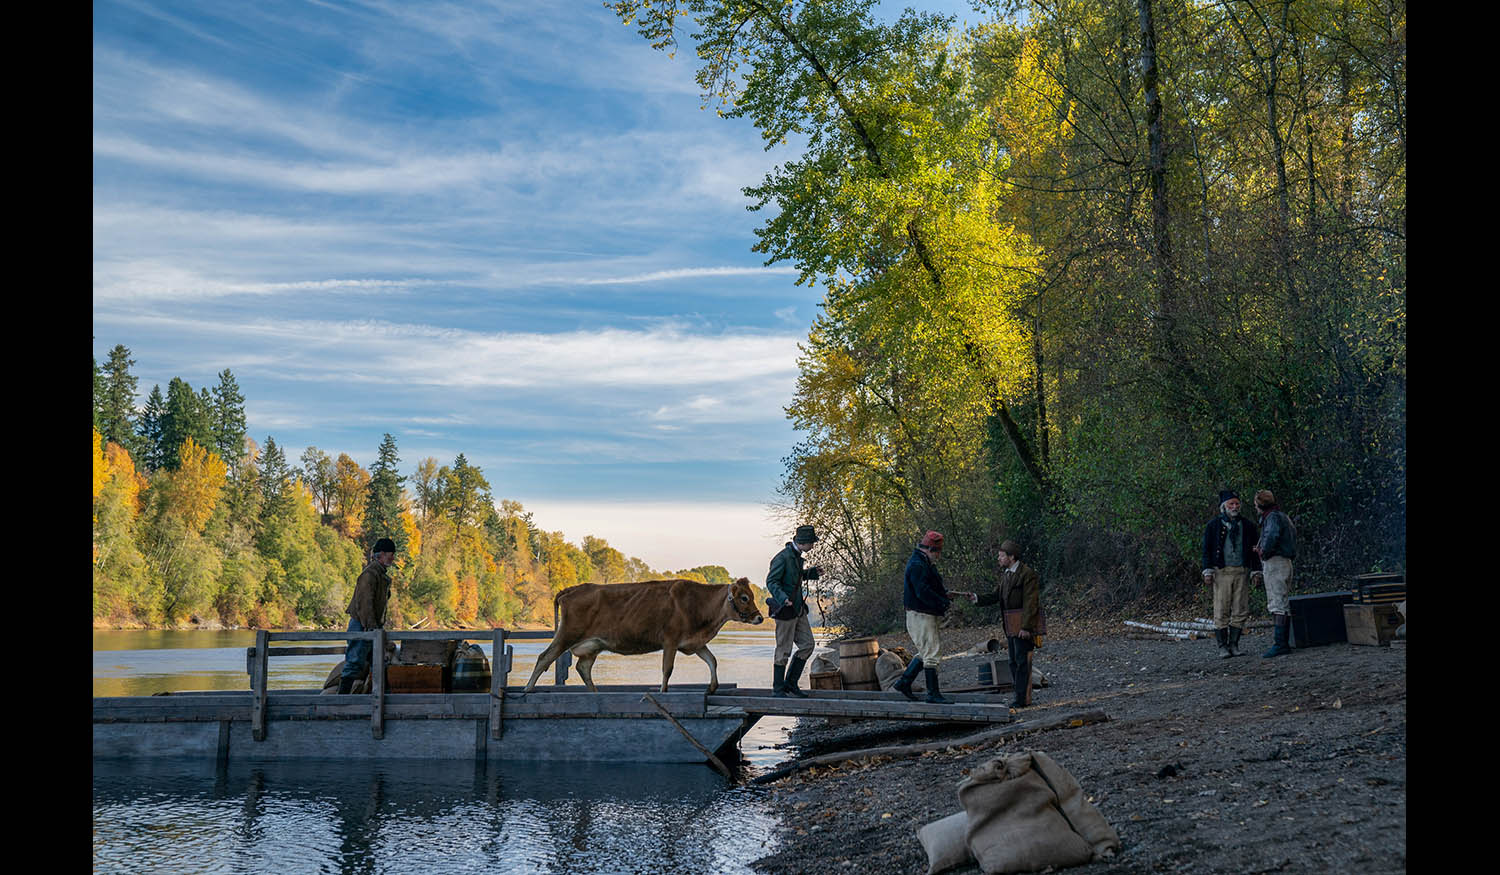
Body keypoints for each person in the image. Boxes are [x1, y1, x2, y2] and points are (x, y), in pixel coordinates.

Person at [966, 540, 1041, 709]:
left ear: (1011, 557)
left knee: (1022, 662)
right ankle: (1020, 696)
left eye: (1001, 556)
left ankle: (1021, 699)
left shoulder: (1027, 574)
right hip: (1010, 626)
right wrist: (976, 598)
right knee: (1013, 662)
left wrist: (1026, 627)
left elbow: (1031, 602)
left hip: (1022, 627)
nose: (998, 559)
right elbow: (996, 595)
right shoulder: (1006, 574)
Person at [892, 531, 960, 704]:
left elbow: (929, 587)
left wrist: (944, 595)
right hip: (920, 614)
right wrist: (942, 602)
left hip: (922, 613)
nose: (938, 555)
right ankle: (933, 694)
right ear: (929, 549)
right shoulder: (918, 564)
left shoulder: (922, 563)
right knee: (932, 654)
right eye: (937, 551)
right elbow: (922, 591)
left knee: (926, 652)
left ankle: (904, 682)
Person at [1201, 491, 1262, 658]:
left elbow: (1255, 549)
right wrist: (1207, 571)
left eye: (1237, 504)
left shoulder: (1247, 525)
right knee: (1221, 609)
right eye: (1231, 504)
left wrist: (1256, 571)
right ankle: (1222, 647)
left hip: (1242, 571)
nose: (1235, 507)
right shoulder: (1213, 525)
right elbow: (1206, 549)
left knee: (1240, 609)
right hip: (1222, 572)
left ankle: (1234, 645)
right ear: (1224, 507)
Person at [766, 525, 822, 698]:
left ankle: (790, 684)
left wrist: (811, 573)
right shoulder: (782, 558)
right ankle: (778, 689)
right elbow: (771, 581)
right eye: (812, 543)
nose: (813, 546)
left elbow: (795, 577)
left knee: (807, 645)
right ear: (803, 542)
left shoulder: (796, 557)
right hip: (785, 610)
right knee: (783, 650)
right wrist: (783, 598)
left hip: (798, 610)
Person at [340, 537, 396, 694]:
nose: (393, 558)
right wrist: (371, 629)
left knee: (377, 662)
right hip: (362, 625)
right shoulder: (370, 574)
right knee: (354, 662)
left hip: (371, 626)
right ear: (382, 554)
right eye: (391, 554)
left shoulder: (380, 575)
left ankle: (380, 697)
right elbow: (365, 604)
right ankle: (339, 701)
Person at [1253, 489, 1297, 658]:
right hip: (1285, 561)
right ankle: (1282, 643)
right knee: (1281, 601)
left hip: (1276, 563)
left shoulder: (1272, 518)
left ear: (1259, 504)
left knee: (1277, 602)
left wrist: (1262, 552)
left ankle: (1281, 644)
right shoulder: (1282, 516)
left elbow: (1271, 536)